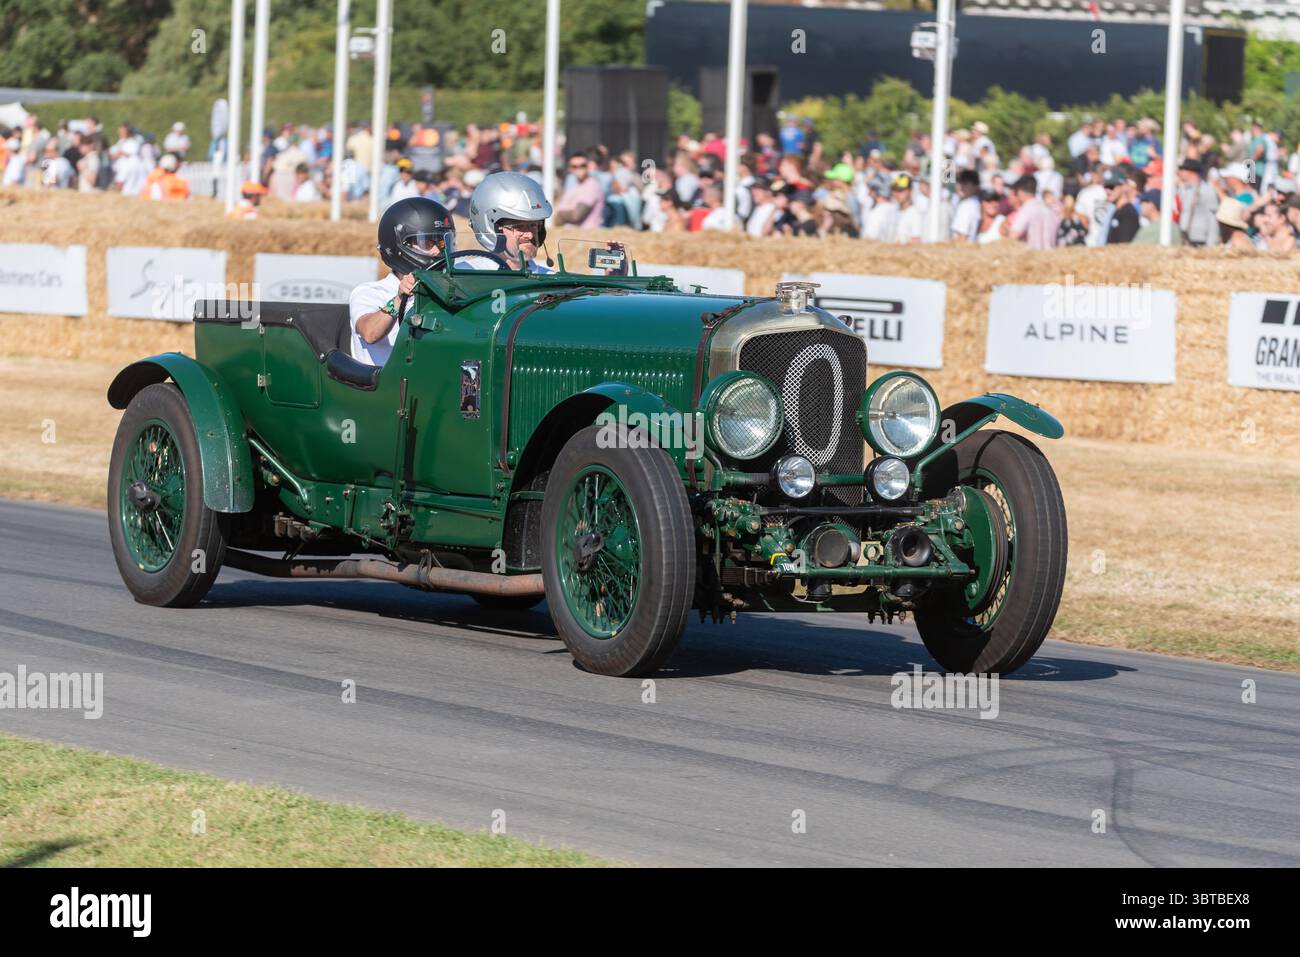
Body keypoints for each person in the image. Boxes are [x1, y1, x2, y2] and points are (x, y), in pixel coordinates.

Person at [350, 196, 455, 367]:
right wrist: (398, 300)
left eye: (442, 243)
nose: (437, 251)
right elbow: (369, 333)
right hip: (382, 387)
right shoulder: (370, 292)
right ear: (399, 245)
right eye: (427, 243)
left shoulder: (449, 288)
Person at [467, 171, 554, 272]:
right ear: (491, 228)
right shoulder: (465, 275)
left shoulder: (550, 278)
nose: (529, 235)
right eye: (519, 227)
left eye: (533, 225)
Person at [554, 151, 605, 228]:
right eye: (574, 166)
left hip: (585, 235)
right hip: (569, 234)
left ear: (588, 166)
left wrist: (559, 215)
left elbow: (576, 215)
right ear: (570, 168)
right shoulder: (574, 187)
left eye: (582, 165)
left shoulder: (592, 186)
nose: (579, 169)